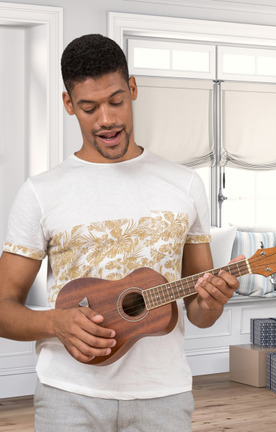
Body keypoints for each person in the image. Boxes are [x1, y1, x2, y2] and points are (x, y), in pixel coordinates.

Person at [0, 34, 240, 432]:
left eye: (116, 101)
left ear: (132, 89)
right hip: (68, 395)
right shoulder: (40, 192)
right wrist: (55, 323)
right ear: (68, 104)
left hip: (163, 395)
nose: (106, 120)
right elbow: (3, 308)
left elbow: (199, 313)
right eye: (89, 108)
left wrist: (213, 302)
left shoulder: (184, 184)